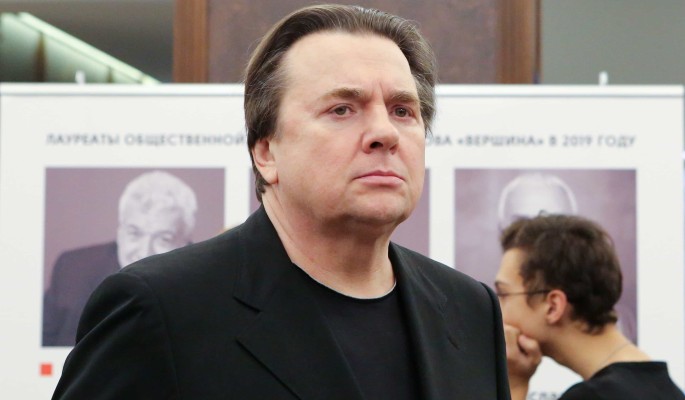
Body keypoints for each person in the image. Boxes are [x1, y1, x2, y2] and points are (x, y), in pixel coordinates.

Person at [53, 4, 510, 399]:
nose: (384, 133)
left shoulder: (470, 310)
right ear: (266, 152)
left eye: (402, 111)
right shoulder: (161, 309)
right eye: (342, 109)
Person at [495, 214, 684, 400]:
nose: (497, 312)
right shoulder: (669, 391)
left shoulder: (590, 397)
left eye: (502, 294)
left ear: (553, 306)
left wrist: (513, 385)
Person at [42, 170, 197, 346]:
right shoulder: (73, 269)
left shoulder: (201, 285)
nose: (145, 251)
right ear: (120, 232)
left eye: (164, 239)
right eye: (134, 233)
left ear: (186, 243)